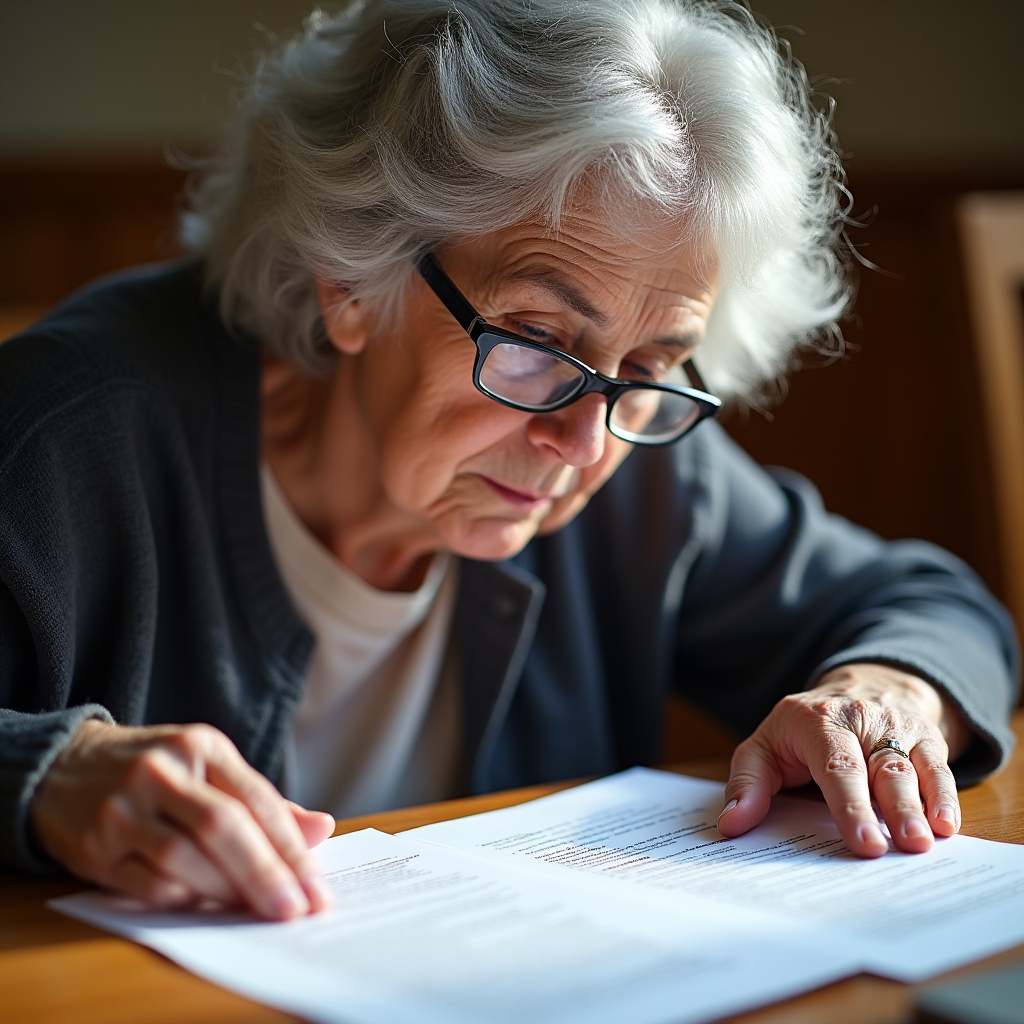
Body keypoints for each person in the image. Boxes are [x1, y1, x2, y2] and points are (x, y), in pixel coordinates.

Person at [0, 0, 1017, 923]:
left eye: (653, 361)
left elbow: (929, 603)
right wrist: (43, 773)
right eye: (536, 344)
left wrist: (884, 694)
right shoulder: (69, 435)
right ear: (349, 274)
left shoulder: (635, 448)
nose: (583, 444)